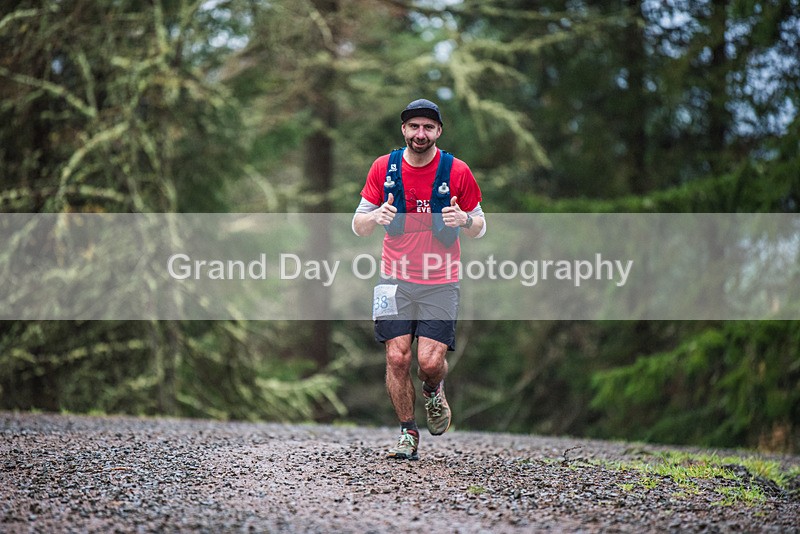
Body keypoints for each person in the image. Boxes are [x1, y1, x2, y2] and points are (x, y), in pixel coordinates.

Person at [352, 98, 486, 460]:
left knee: (428, 362)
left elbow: (480, 225)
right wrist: (375, 216)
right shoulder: (384, 168)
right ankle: (407, 432)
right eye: (414, 126)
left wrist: (465, 221)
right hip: (393, 278)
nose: (420, 133)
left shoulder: (457, 171)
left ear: (438, 131)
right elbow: (358, 225)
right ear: (404, 130)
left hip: (441, 281)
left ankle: (433, 389)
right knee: (397, 358)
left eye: (428, 127)